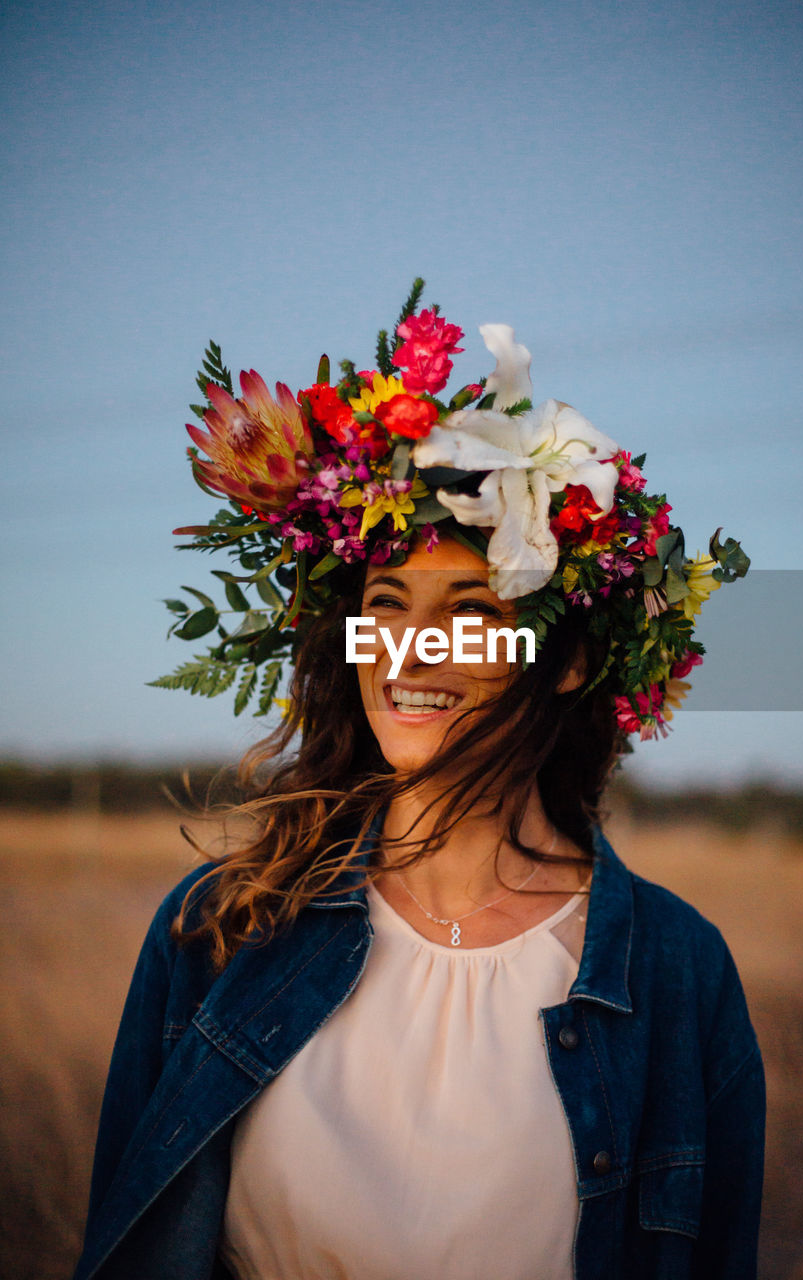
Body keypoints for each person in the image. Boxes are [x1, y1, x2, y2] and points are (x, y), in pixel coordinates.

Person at [74, 284, 762, 1280]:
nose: (409, 647)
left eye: (470, 608)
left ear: (567, 661)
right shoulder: (219, 928)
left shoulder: (676, 969)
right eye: (384, 602)